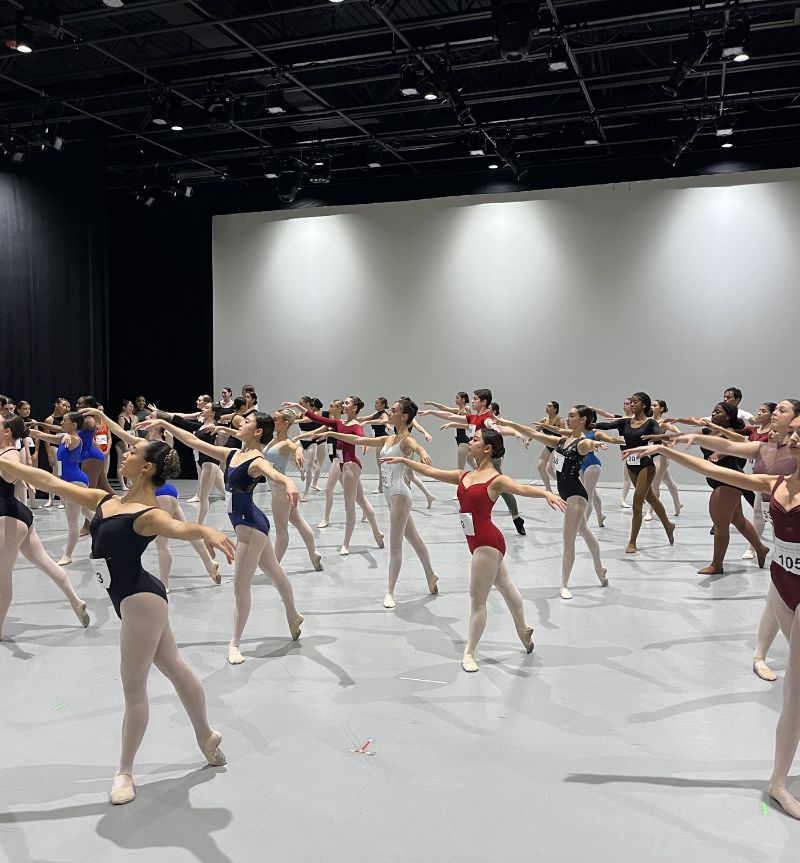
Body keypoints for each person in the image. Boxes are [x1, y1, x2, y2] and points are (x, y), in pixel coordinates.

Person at [0, 432, 234, 805]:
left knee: (134, 688)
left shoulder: (149, 514)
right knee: (174, 666)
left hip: (141, 601)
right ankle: (206, 735)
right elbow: (50, 482)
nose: (124, 454)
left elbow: (179, 528)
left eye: (132, 452)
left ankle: (124, 771)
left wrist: (206, 530)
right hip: (131, 597)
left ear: (146, 468)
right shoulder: (105, 501)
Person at [624, 420, 800, 821]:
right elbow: (712, 468)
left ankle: (777, 782)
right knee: (796, 685)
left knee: (794, 689)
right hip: (780, 584)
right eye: (792, 431)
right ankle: (777, 783)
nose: (792, 438)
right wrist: (665, 451)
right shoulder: (773, 483)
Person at [383, 428, 566, 672]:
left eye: (475, 439)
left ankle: (469, 652)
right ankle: (523, 629)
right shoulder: (464, 475)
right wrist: (405, 461)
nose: (470, 441)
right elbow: (432, 472)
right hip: (481, 542)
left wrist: (545, 493)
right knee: (506, 586)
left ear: (487, 448)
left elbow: (521, 488)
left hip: (486, 544)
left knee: (477, 601)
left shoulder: (496, 480)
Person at [145, 413, 305, 664]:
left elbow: (274, 474)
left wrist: (288, 483)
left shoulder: (256, 460)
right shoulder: (232, 454)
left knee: (241, 587)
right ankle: (293, 614)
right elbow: (194, 442)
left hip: (249, 529)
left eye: (247, 422)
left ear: (257, 432)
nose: (241, 423)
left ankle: (235, 644)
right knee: (274, 571)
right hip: (251, 523)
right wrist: (166, 424)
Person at [666, 399, 800, 681]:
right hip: (778, 520)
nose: (774, 413)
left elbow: (730, 442)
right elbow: (729, 445)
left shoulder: (789, 449)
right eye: (774, 410)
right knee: (774, 599)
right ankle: (759, 655)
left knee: (775, 601)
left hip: (788, 521)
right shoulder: (764, 445)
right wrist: (693, 437)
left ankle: (763, 656)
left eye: (782, 410)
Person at [326, 398, 438, 608]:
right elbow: (358, 440)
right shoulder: (388, 438)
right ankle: (431, 574)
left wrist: (423, 452)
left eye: (394, 410)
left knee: (395, 546)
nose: (389, 413)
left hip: (399, 495)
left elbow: (417, 446)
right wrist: (333, 434)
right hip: (390, 495)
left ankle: (390, 592)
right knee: (414, 537)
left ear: (404, 416)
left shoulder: (406, 440)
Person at [495, 408, 608, 599]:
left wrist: (595, 443)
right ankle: (599, 568)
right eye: (568, 415)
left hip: (575, 495)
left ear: (583, 420)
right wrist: (508, 423)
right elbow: (532, 433)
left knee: (568, 541)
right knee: (584, 531)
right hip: (567, 493)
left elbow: (588, 444)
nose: (568, 419)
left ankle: (564, 584)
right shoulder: (561, 441)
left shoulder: (581, 443)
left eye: (572, 416)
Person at [0, 415, 90, 641]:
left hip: (8, 518)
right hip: (16, 515)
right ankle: (75, 600)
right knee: (44, 562)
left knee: (3, 576)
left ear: (7, 432)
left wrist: (26, 479)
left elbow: (16, 471)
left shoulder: (9, 454)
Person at [665, 402, 769, 574]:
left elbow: (732, 446)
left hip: (728, 481)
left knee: (720, 524)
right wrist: (660, 439)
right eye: (713, 411)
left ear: (728, 416)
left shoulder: (732, 433)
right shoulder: (707, 431)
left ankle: (717, 565)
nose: (713, 413)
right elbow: (687, 436)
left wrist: (719, 454)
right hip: (719, 480)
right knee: (738, 519)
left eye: (718, 411)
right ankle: (760, 548)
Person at [283, 397, 384, 555]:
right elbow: (316, 417)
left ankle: (346, 543)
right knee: (362, 500)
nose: (344, 404)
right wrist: (298, 406)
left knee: (349, 506)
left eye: (347, 403)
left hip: (351, 465)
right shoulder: (339, 423)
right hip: (342, 463)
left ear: (355, 408)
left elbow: (360, 437)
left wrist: (364, 443)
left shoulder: (356, 425)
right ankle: (377, 533)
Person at [420, 389, 526, 535]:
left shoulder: (486, 418)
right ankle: (512, 518)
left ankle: (516, 518)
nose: (472, 401)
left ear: (484, 402)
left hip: (491, 460)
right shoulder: (474, 418)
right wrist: (431, 412)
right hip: (480, 458)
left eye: (475, 399)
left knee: (502, 488)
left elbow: (496, 427)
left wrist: (515, 432)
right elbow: (450, 415)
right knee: (496, 488)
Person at [594, 393, 675, 553]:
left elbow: (658, 437)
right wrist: (589, 424)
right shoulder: (624, 422)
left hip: (646, 465)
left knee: (637, 503)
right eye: (630, 402)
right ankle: (668, 524)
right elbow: (606, 426)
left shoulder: (650, 423)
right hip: (631, 465)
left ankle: (632, 541)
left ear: (644, 405)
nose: (631, 404)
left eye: (635, 402)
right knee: (650, 497)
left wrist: (660, 441)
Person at [263, 409, 323, 571]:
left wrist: (298, 452)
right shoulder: (273, 440)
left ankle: (274, 568)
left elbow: (297, 448)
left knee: (281, 531)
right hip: (277, 489)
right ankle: (314, 553)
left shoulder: (286, 443)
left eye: (276, 419)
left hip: (280, 490)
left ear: (285, 423)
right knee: (299, 522)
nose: (272, 421)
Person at [593, 399, 634, 507]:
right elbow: (606, 418)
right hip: (626, 450)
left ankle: (642, 495)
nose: (624, 406)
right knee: (627, 476)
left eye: (627, 404)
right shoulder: (620, 420)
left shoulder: (636, 420)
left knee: (638, 476)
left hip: (638, 449)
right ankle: (623, 499)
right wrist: (593, 410)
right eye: (623, 404)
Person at [646, 399, 683, 520]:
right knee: (668, 480)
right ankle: (677, 503)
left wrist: (676, 437)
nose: (652, 407)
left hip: (660, 455)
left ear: (661, 409)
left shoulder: (662, 423)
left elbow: (675, 429)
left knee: (654, 484)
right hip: (651, 453)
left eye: (654, 405)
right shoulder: (649, 421)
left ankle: (650, 511)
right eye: (651, 405)